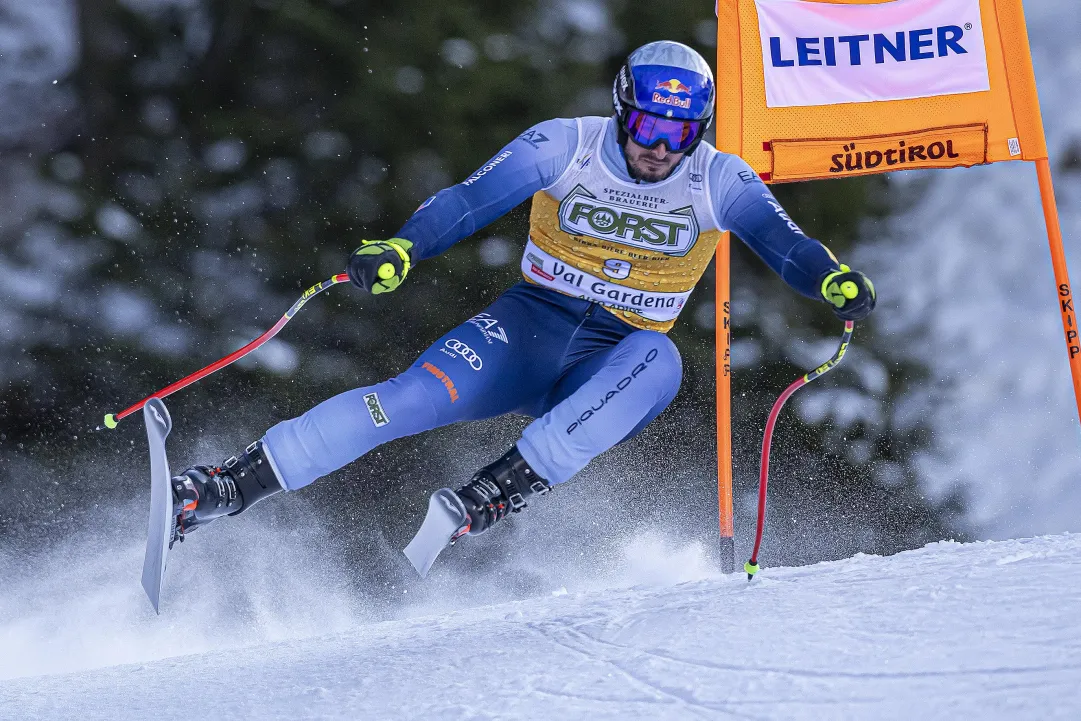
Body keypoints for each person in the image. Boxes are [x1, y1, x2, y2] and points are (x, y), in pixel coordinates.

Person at [167, 41, 875, 570]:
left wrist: (830, 279)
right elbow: (470, 200)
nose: (661, 148)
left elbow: (783, 244)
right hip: (527, 326)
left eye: (680, 132)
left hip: (614, 357)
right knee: (406, 399)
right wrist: (404, 249)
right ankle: (224, 487)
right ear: (622, 113)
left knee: (661, 358)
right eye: (649, 128)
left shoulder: (718, 178)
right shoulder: (565, 144)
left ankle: (495, 490)